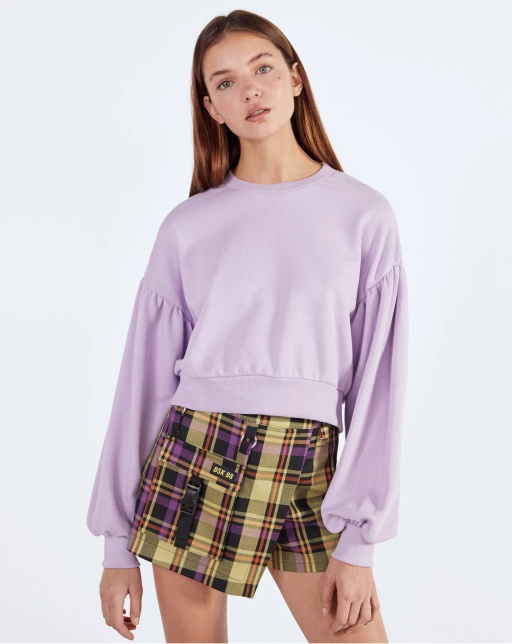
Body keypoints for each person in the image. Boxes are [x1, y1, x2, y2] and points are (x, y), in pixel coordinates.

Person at [86, 9, 408, 643]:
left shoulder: (364, 215)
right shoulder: (188, 227)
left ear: (296, 79)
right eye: (226, 82)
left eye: (263, 69)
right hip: (195, 456)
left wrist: (361, 542)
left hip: (311, 463)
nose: (250, 91)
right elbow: (142, 387)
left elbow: (380, 386)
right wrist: (116, 547)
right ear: (212, 108)